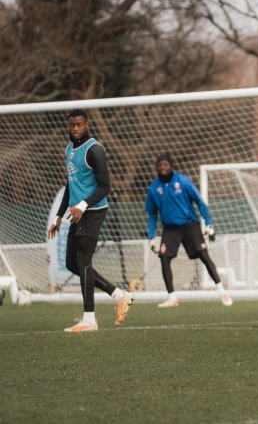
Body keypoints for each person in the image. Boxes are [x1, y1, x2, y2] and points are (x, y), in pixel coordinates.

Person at [47, 109, 134, 332]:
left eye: (79, 125)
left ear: (87, 124)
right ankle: (118, 294)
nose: (75, 128)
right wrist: (58, 215)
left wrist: (83, 205)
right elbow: (70, 186)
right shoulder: (69, 149)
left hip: (93, 211)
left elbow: (105, 186)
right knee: (71, 264)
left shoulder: (94, 149)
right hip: (76, 213)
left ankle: (89, 319)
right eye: (72, 125)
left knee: (83, 261)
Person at [145, 154, 232, 308]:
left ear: (171, 166)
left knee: (204, 255)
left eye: (165, 164)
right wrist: (151, 236)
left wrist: (209, 224)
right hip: (170, 229)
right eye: (160, 165)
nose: (163, 167)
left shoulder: (183, 181)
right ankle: (172, 297)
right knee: (164, 259)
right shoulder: (154, 188)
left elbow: (200, 202)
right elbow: (152, 214)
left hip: (190, 225)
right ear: (157, 167)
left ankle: (222, 292)